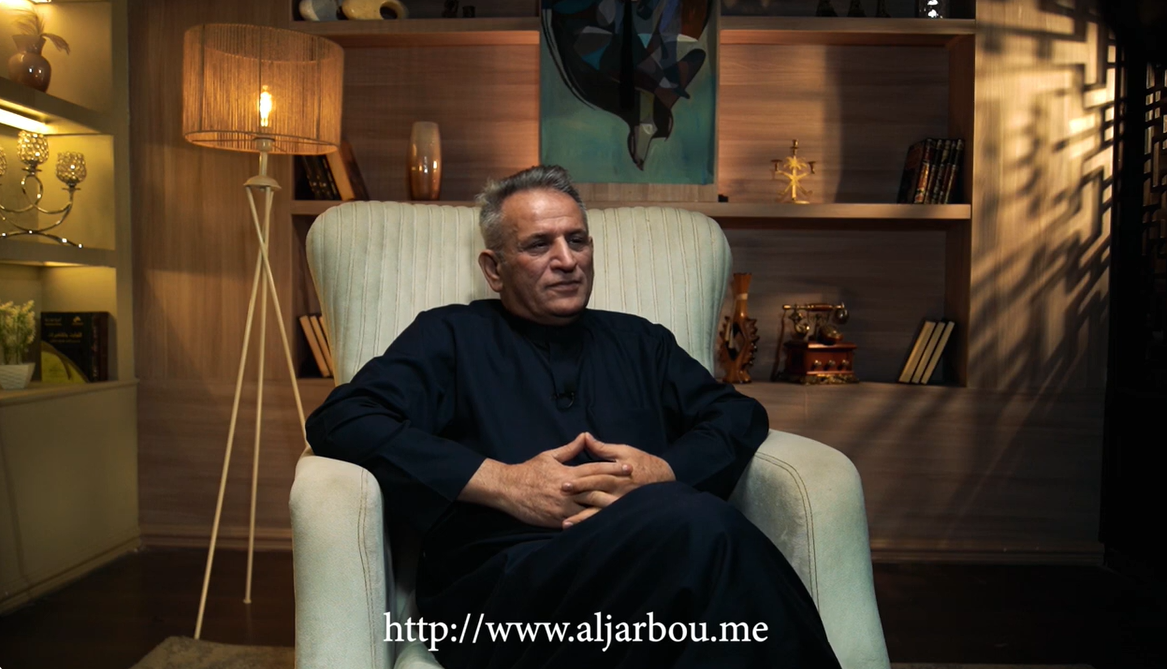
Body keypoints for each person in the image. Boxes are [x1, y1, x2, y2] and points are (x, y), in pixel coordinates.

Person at [305, 165, 842, 669]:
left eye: (577, 240)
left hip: (646, 576)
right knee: (704, 528)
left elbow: (737, 415)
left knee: (706, 584)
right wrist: (502, 482)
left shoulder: (641, 341)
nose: (567, 260)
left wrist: (663, 473)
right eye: (539, 245)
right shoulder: (448, 336)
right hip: (501, 595)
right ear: (494, 269)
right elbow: (342, 419)